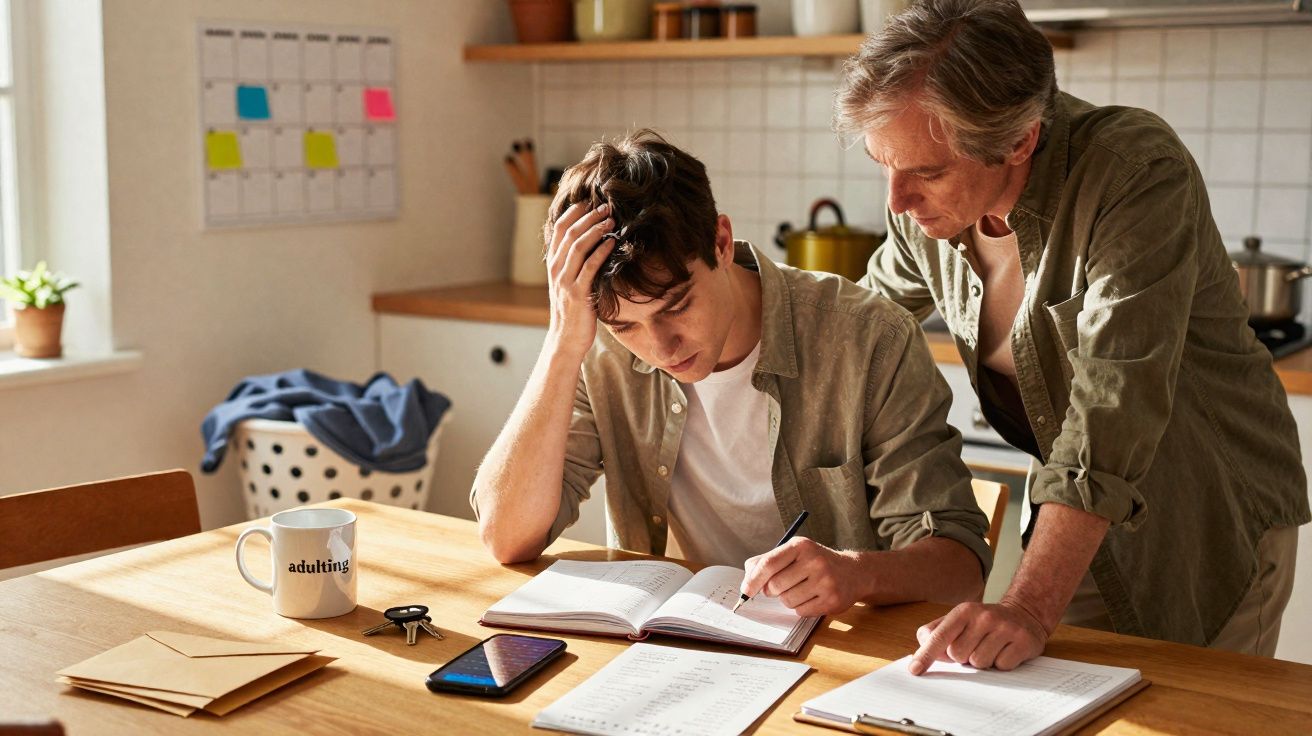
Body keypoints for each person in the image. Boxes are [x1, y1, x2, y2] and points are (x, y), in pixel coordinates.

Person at [834, 0, 1309, 671]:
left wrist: (1028, 606)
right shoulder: (927, 211)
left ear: (1021, 140)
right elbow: (861, 330)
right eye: (885, 164)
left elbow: (1112, 400)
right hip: (1075, 514)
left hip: (1206, 515)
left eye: (927, 173)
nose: (897, 202)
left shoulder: (1133, 170)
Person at [470, 130, 991, 616]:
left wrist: (857, 575)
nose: (660, 347)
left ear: (721, 242)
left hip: (839, 657)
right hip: (675, 643)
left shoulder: (869, 338)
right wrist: (563, 342)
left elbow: (961, 569)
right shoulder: (596, 346)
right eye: (627, 326)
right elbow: (506, 537)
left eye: (675, 305)